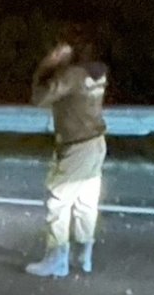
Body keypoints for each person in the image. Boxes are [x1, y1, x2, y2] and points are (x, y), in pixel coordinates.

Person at [25, 38, 108, 277]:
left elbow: (39, 98)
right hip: (95, 143)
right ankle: (83, 255)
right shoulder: (98, 73)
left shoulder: (72, 76)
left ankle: (57, 259)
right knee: (85, 202)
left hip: (76, 147)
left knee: (58, 202)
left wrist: (47, 65)